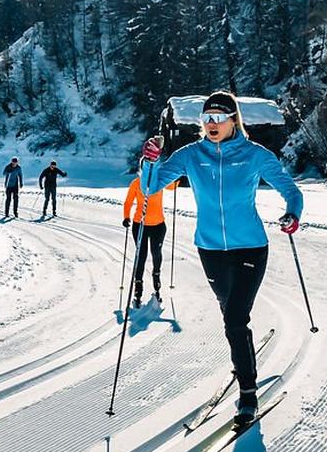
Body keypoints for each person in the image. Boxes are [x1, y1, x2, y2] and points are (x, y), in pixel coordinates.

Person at [141, 91, 302, 421]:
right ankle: (242, 356)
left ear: (233, 121)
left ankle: (247, 392)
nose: (211, 124)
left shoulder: (255, 155)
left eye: (218, 118)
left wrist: (292, 213)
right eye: (206, 118)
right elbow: (150, 187)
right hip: (210, 249)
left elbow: (290, 189)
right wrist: (150, 160)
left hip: (251, 248)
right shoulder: (190, 155)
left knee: (235, 318)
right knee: (230, 315)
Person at [122, 171, 170, 308]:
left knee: (156, 252)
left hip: (158, 225)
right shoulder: (136, 183)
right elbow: (128, 202)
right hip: (140, 225)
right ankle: (138, 286)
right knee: (141, 255)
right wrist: (126, 217)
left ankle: (156, 276)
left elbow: (171, 186)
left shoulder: (160, 180)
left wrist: (178, 177)